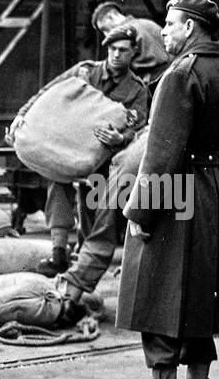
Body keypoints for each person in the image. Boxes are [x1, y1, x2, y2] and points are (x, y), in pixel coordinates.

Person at [108, 0, 219, 379]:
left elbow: (160, 155)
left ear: (189, 27)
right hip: (212, 192)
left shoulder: (179, 75)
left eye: (168, 25)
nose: (163, 33)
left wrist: (141, 214)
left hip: (174, 194)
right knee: (201, 293)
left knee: (159, 290)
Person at [9, 25, 149, 278]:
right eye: (113, 49)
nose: (117, 55)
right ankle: (59, 250)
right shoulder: (85, 71)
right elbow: (48, 92)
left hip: (104, 159)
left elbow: (138, 128)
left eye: (123, 50)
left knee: (92, 201)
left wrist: (120, 138)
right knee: (56, 178)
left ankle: (84, 254)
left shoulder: (136, 90)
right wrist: (23, 114)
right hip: (67, 148)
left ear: (134, 53)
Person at [91, 1, 170, 88]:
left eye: (104, 29)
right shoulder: (149, 23)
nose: (106, 34)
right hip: (167, 79)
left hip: (146, 85)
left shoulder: (122, 33)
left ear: (111, 17)